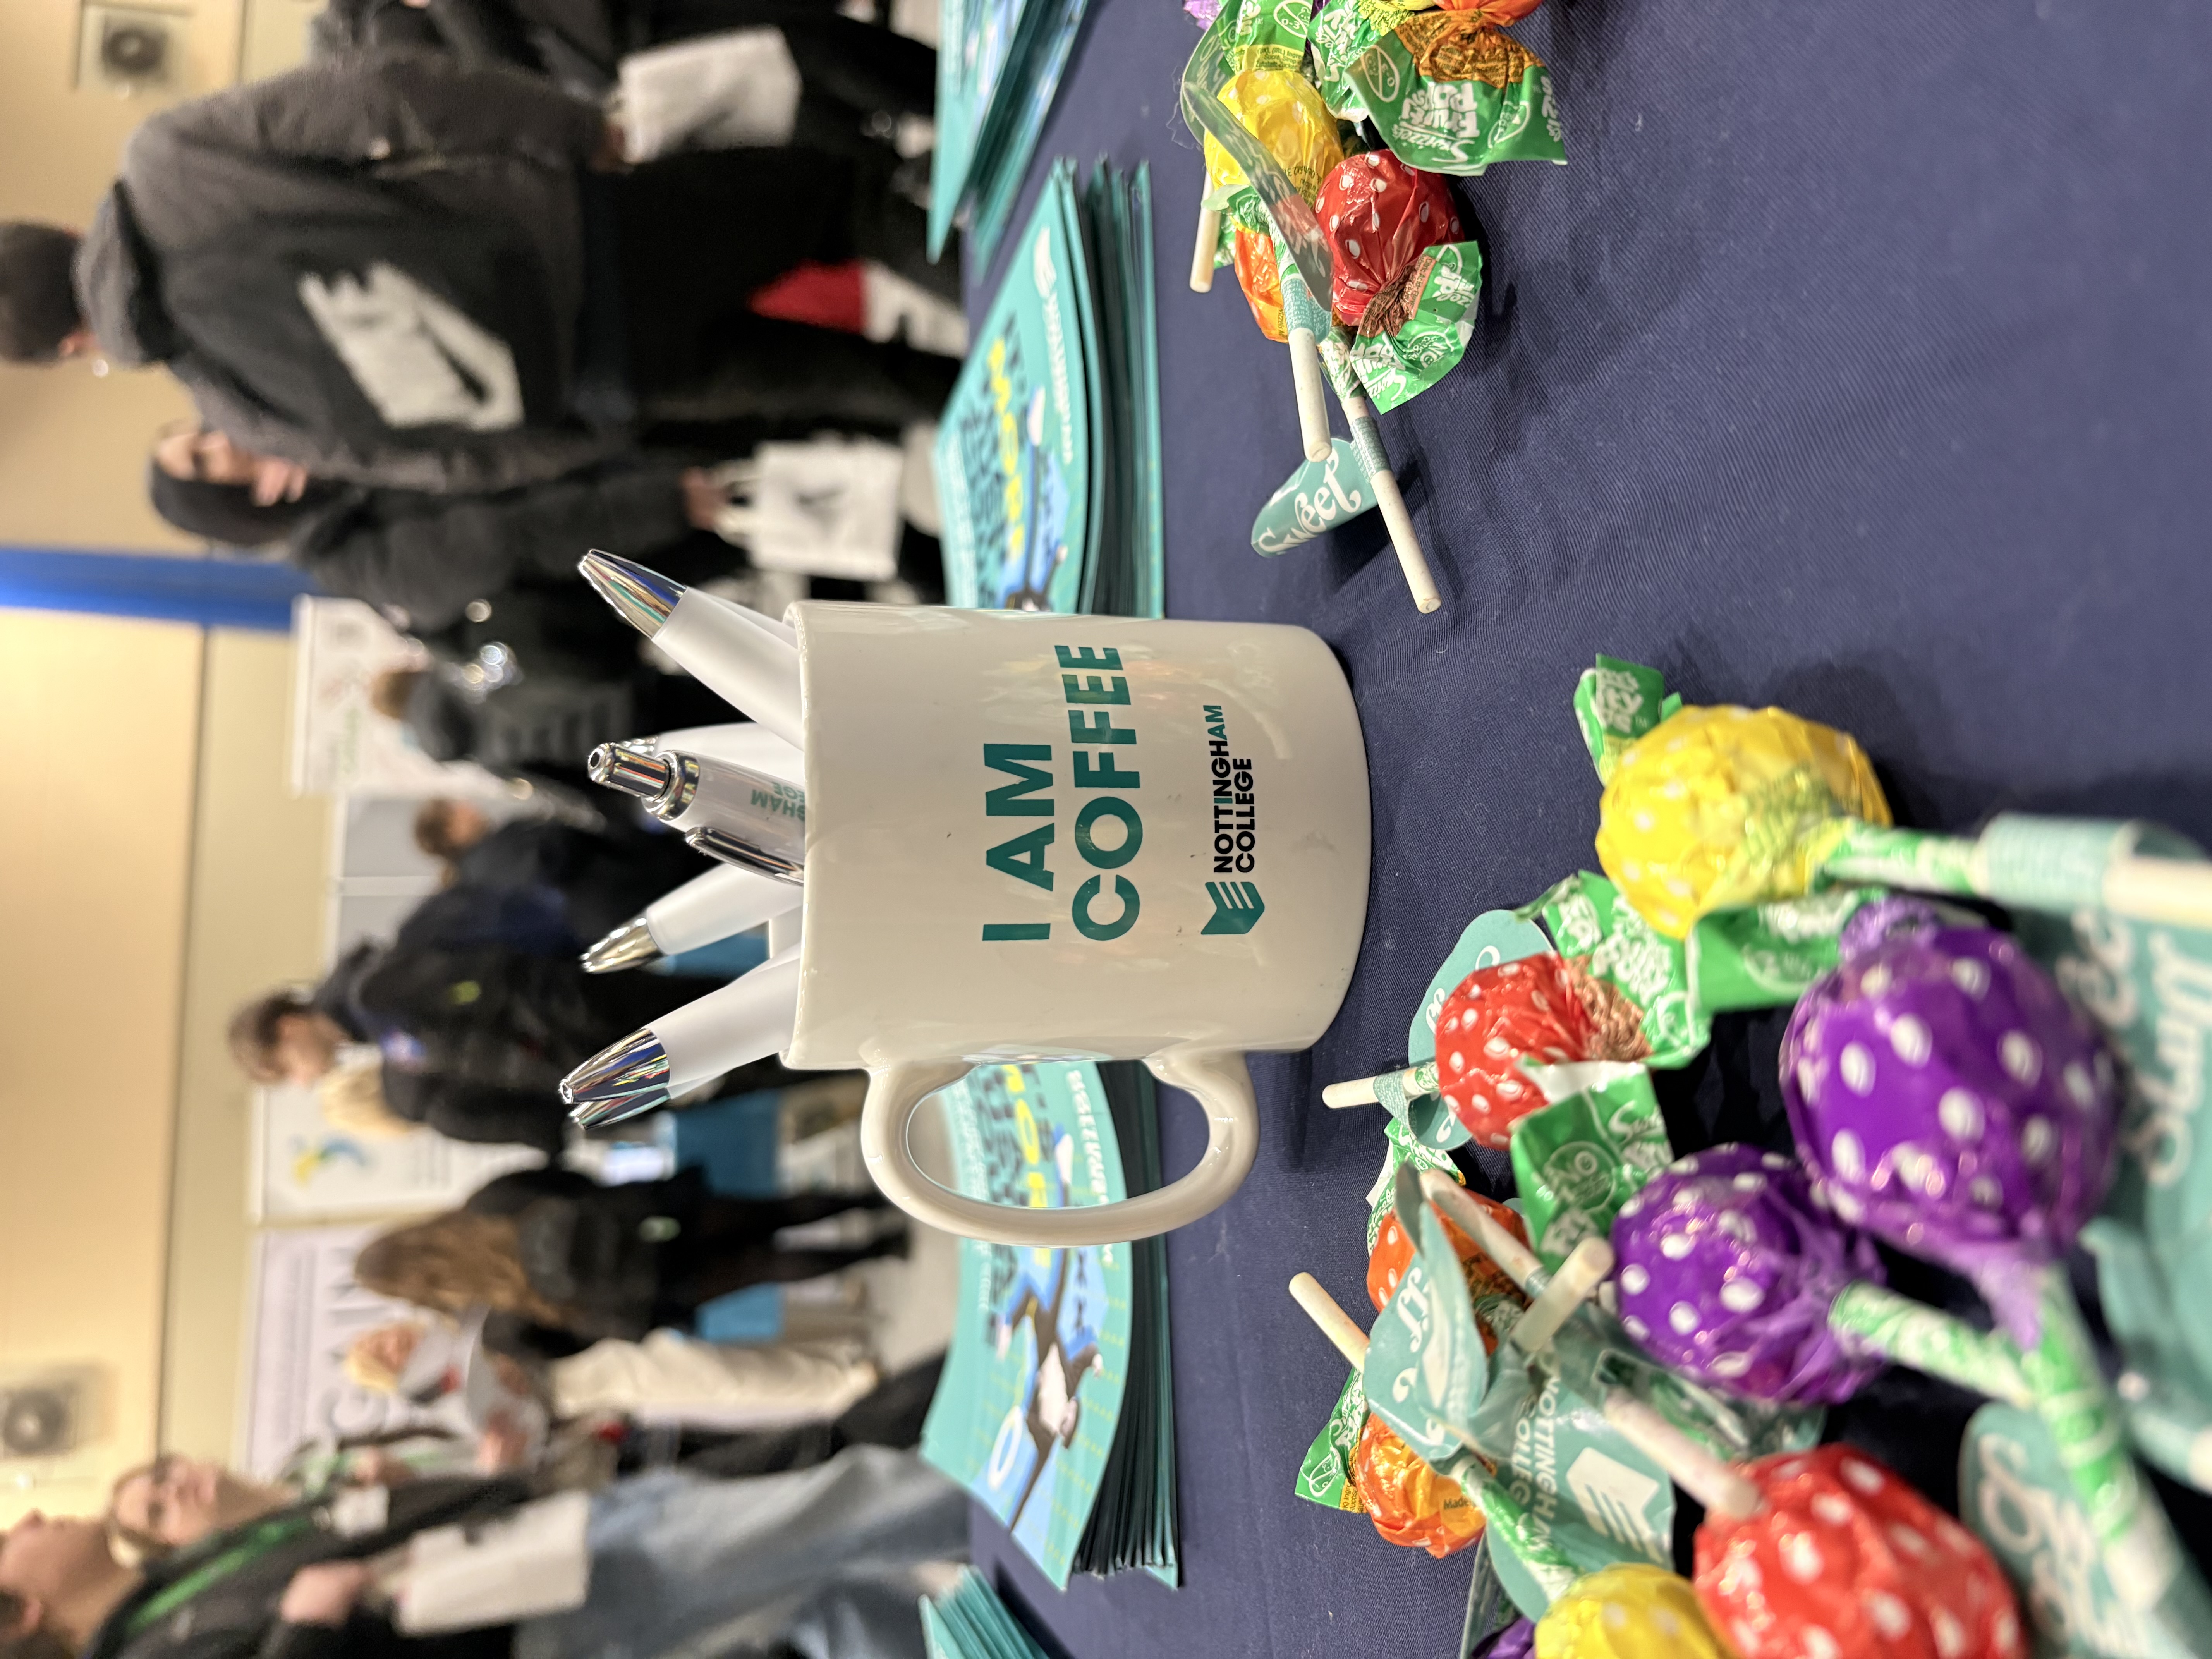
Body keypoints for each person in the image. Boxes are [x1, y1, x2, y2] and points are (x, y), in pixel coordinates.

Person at [0, 49, 958, 494]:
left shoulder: (231, 407)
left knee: (869, 383)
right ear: (53, 232)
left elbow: (436, 464)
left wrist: (580, 426)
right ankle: (1057, 294)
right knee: (841, 204)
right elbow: (385, 94)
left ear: (74, 344)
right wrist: (581, 132)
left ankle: (1056, 418)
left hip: (591, 381)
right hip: (578, 238)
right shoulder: (165, 159)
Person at [58, 1447, 967, 1659]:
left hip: (526, 1540)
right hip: (521, 1607)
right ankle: (1079, 1496)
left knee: (816, 1600)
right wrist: (306, 1633)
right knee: (837, 1510)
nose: (24, 1526)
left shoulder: (163, 1590)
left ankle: (1034, 1627)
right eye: (10, 1546)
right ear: (24, 1613)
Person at [146, 426, 744, 633]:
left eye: (200, 434)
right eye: (202, 459)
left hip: (620, 452)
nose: (219, 441)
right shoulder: (341, 555)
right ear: (216, 504)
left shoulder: (321, 451)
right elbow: (507, 541)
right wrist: (659, 505)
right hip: (651, 512)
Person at [228, 931, 716, 1150]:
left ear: (288, 1029)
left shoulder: (372, 995)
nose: (302, 1080)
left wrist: (575, 1049)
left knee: (720, 1015)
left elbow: (491, 986)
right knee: (729, 1049)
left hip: (588, 1021)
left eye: (288, 1068)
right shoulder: (372, 1029)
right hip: (587, 1048)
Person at [352, 1165, 905, 1352]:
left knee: (762, 1269)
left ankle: (879, 1250)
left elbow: (571, 1342)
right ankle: (872, 1197)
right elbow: (566, 1179)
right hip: (645, 1217)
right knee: (770, 1213)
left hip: (651, 1286)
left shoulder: (496, 1313)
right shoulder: (486, 1203)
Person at [412, 802, 703, 945]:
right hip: (624, 884)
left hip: (601, 924)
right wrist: (566, 825)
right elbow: (550, 859)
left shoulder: (473, 886)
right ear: (452, 831)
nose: (469, 806)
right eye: (458, 810)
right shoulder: (495, 854)